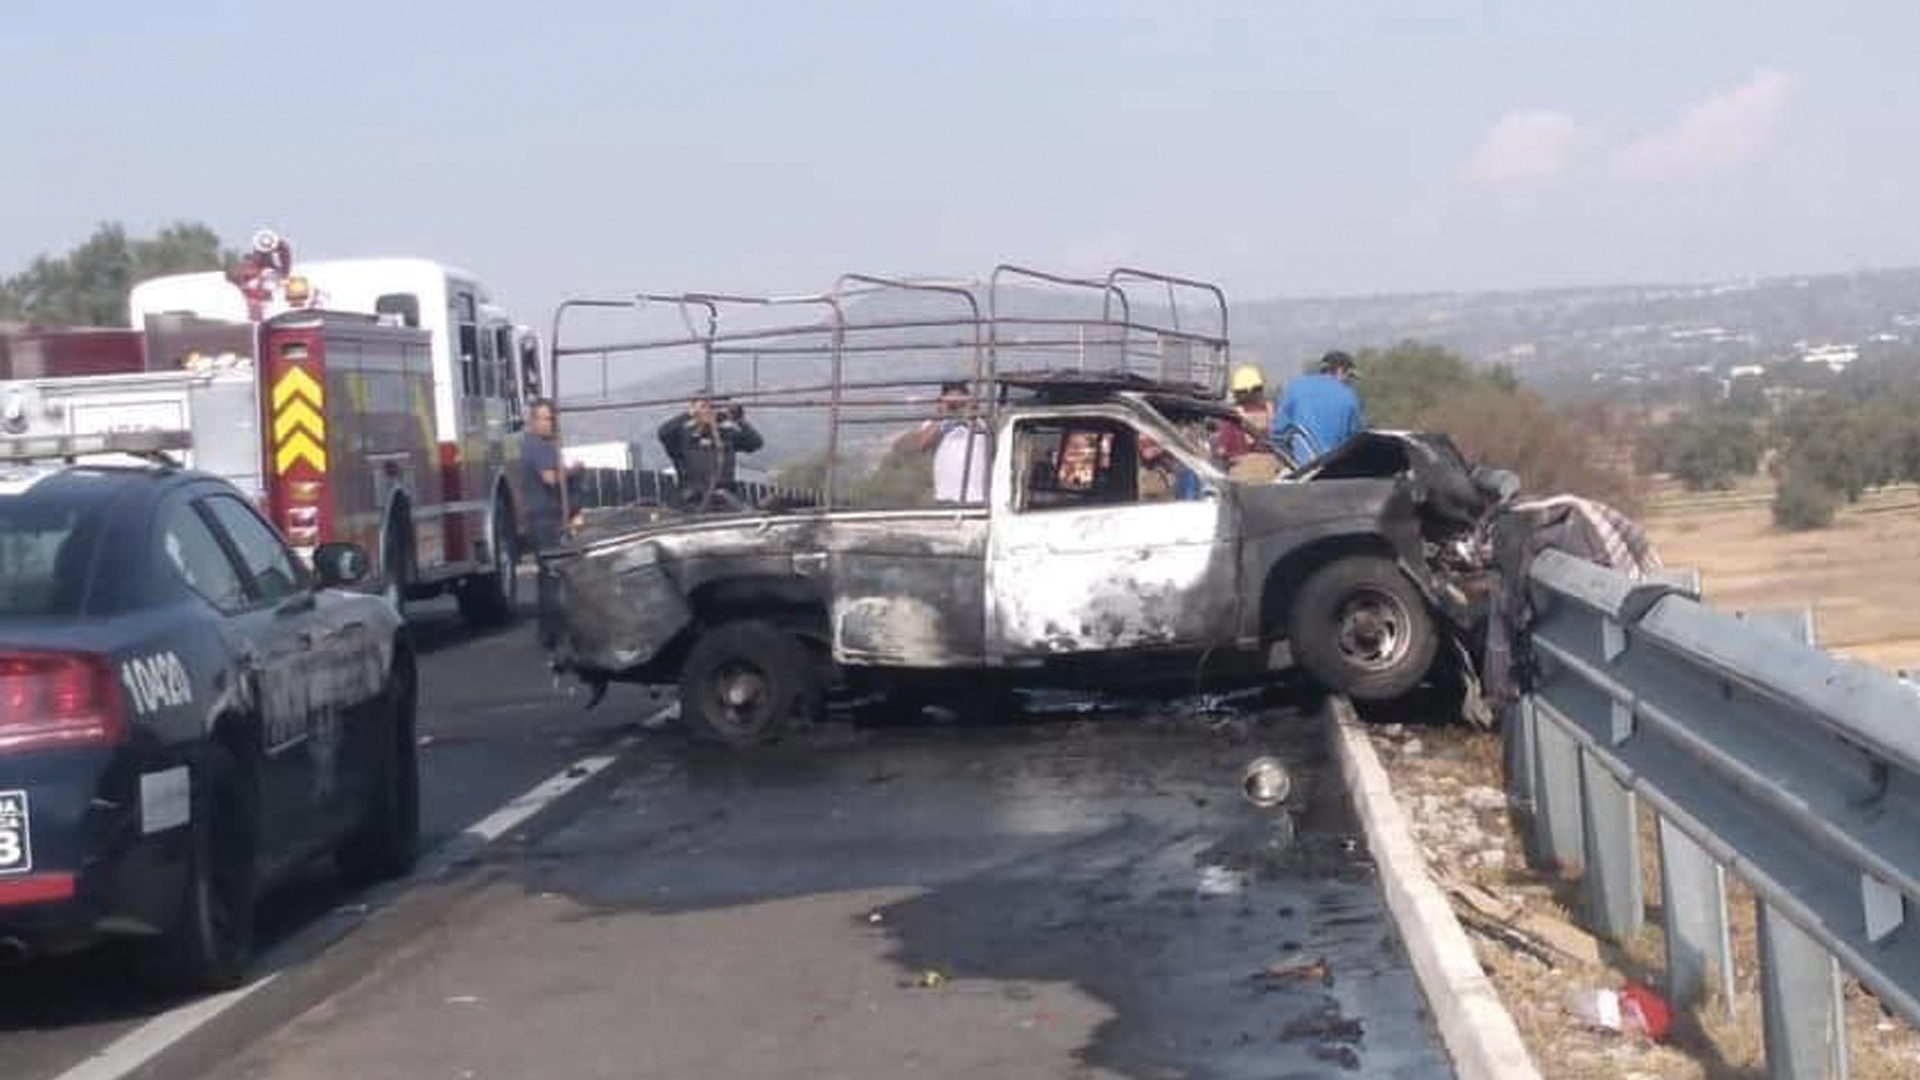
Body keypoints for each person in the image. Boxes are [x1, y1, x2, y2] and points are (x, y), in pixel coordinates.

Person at [657, 395, 764, 510]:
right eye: (705, 407)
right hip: (693, 502)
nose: (710, 412)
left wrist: (739, 419)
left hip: (726, 499)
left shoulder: (726, 434)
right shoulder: (683, 436)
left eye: (714, 407)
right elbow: (663, 433)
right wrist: (689, 414)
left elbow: (755, 443)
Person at [896, 380, 988, 503]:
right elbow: (921, 444)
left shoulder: (980, 420)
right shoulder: (934, 423)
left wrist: (969, 412)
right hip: (945, 496)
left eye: (959, 397)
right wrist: (943, 417)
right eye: (951, 399)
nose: (955, 403)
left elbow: (989, 436)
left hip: (977, 496)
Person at [1272, 350, 1364, 466]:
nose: (1350, 382)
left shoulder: (1294, 387)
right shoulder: (1350, 397)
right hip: (1334, 471)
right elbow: (1357, 442)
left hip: (1301, 471)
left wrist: (1291, 463)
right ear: (1340, 371)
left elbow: (1277, 437)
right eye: (1349, 376)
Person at [1213, 362, 1283, 482]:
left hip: (1243, 480)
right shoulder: (1275, 412)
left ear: (1241, 392)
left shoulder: (1232, 417)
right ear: (1259, 390)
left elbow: (1221, 452)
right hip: (1273, 478)